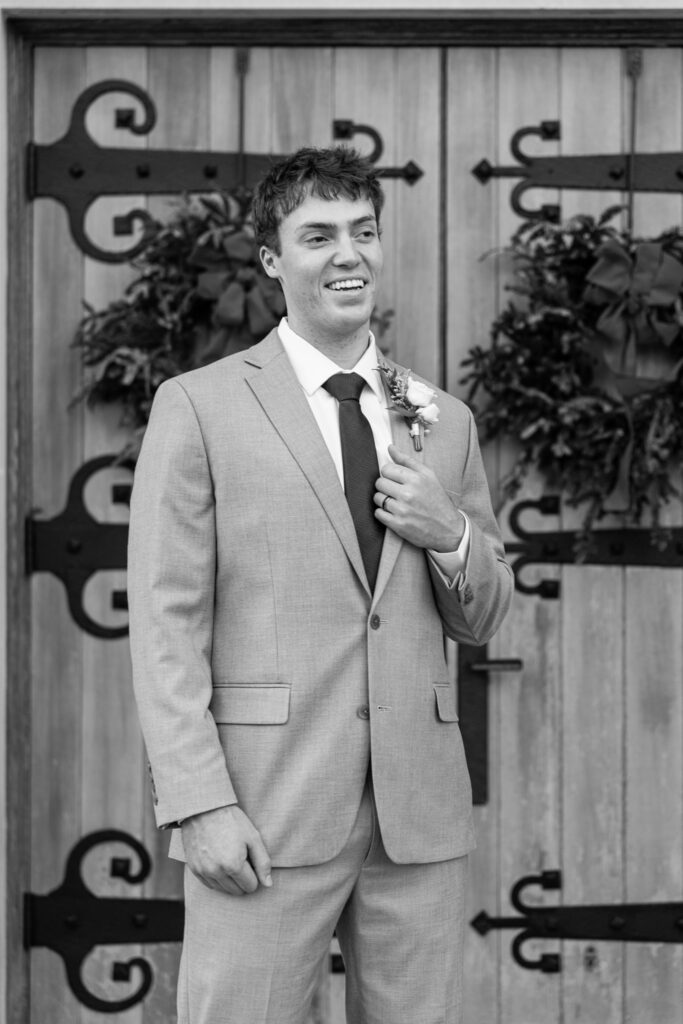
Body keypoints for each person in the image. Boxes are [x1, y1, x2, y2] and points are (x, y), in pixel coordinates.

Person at [128, 145, 513, 1024]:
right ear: (272, 259)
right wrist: (198, 803)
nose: (348, 254)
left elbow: (484, 613)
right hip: (262, 811)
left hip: (415, 818)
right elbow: (165, 622)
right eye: (318, 235)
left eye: (363, 232)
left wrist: (448, 532)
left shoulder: (439, 417)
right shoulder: (199, 405)